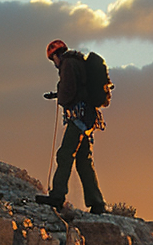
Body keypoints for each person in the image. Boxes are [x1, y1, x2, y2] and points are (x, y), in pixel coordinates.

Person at [35, 39, 106, 214]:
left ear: (56, 55)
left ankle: (57, 196)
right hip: (88, 117)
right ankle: (97, 203)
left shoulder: (67, 64)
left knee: (65, 154)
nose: (54, 64)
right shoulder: (78, 62)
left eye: (53, 60)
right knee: (83, 161)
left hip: (78, 116)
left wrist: (61, 98)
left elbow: (69, 90)